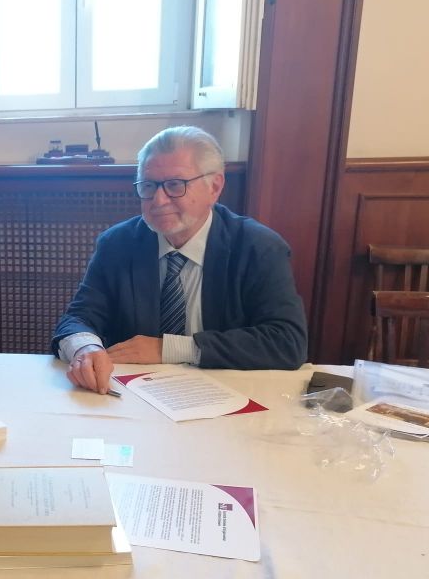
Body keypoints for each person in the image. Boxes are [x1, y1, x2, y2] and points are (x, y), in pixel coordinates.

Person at [52, 126, 307, 394]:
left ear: (215, 187)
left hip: (230, 396)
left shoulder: (258, 247)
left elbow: (287, 341)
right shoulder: (117, 244)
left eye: (175, 185)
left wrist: (169, 349)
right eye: (148, 186)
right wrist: (85, 349)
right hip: (134, 397)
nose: (158, 200)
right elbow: (78, 318)